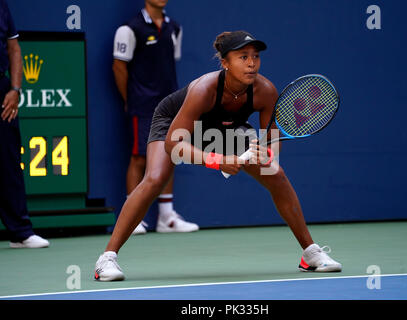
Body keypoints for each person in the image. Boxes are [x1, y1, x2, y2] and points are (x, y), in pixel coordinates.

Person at [95, 30, 342, 281]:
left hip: (226, 128)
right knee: (155, 178)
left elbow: (272, 144)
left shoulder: (265, 91)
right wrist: (218, 160)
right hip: (175, 123)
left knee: (276, 174)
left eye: (255, 56)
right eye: (243, 57)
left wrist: (264, 153)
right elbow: (173, 144)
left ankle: (310, 253)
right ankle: (107, 259)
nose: (251, 63)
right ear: (225, 63)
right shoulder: (205, 89)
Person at [112, 0, 198, 234]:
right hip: (142, 104)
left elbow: (170, 64)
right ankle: (133, 218)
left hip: (170, 105)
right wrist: (130, 98)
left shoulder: (175, 28)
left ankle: (166, 217)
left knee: (171, 154)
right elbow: (119, 67)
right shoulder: (129, 29)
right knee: (139, 158)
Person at [0, 0, 49, 248]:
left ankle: (20, 232)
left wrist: (15, 89)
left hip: (2, 90)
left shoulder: (2, 6)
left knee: (9, 161)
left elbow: (14, 48)